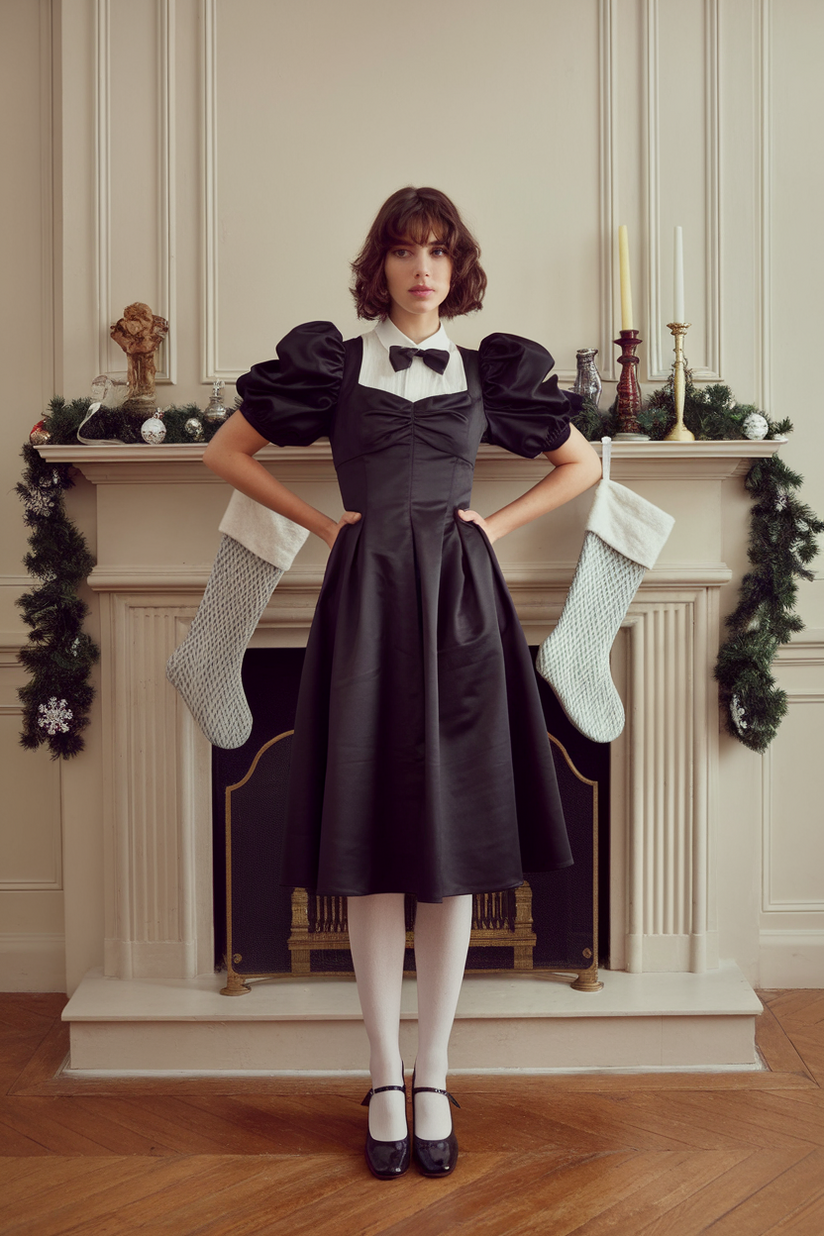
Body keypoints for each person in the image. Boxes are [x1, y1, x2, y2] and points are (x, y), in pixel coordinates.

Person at [202, 186, 601, 1179]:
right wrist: (321, 521)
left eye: (438, 250)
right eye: (403, 249)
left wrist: (493, 529)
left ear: (455, 266)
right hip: (366, 601)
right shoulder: (334, 364)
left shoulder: (485, 369)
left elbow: (578, 464)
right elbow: (226, 449)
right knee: (374, 836)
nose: (421, 267)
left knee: (453, 843)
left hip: (462, 610)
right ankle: (382, 1074)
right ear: (378, 264)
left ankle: (434, 1070)